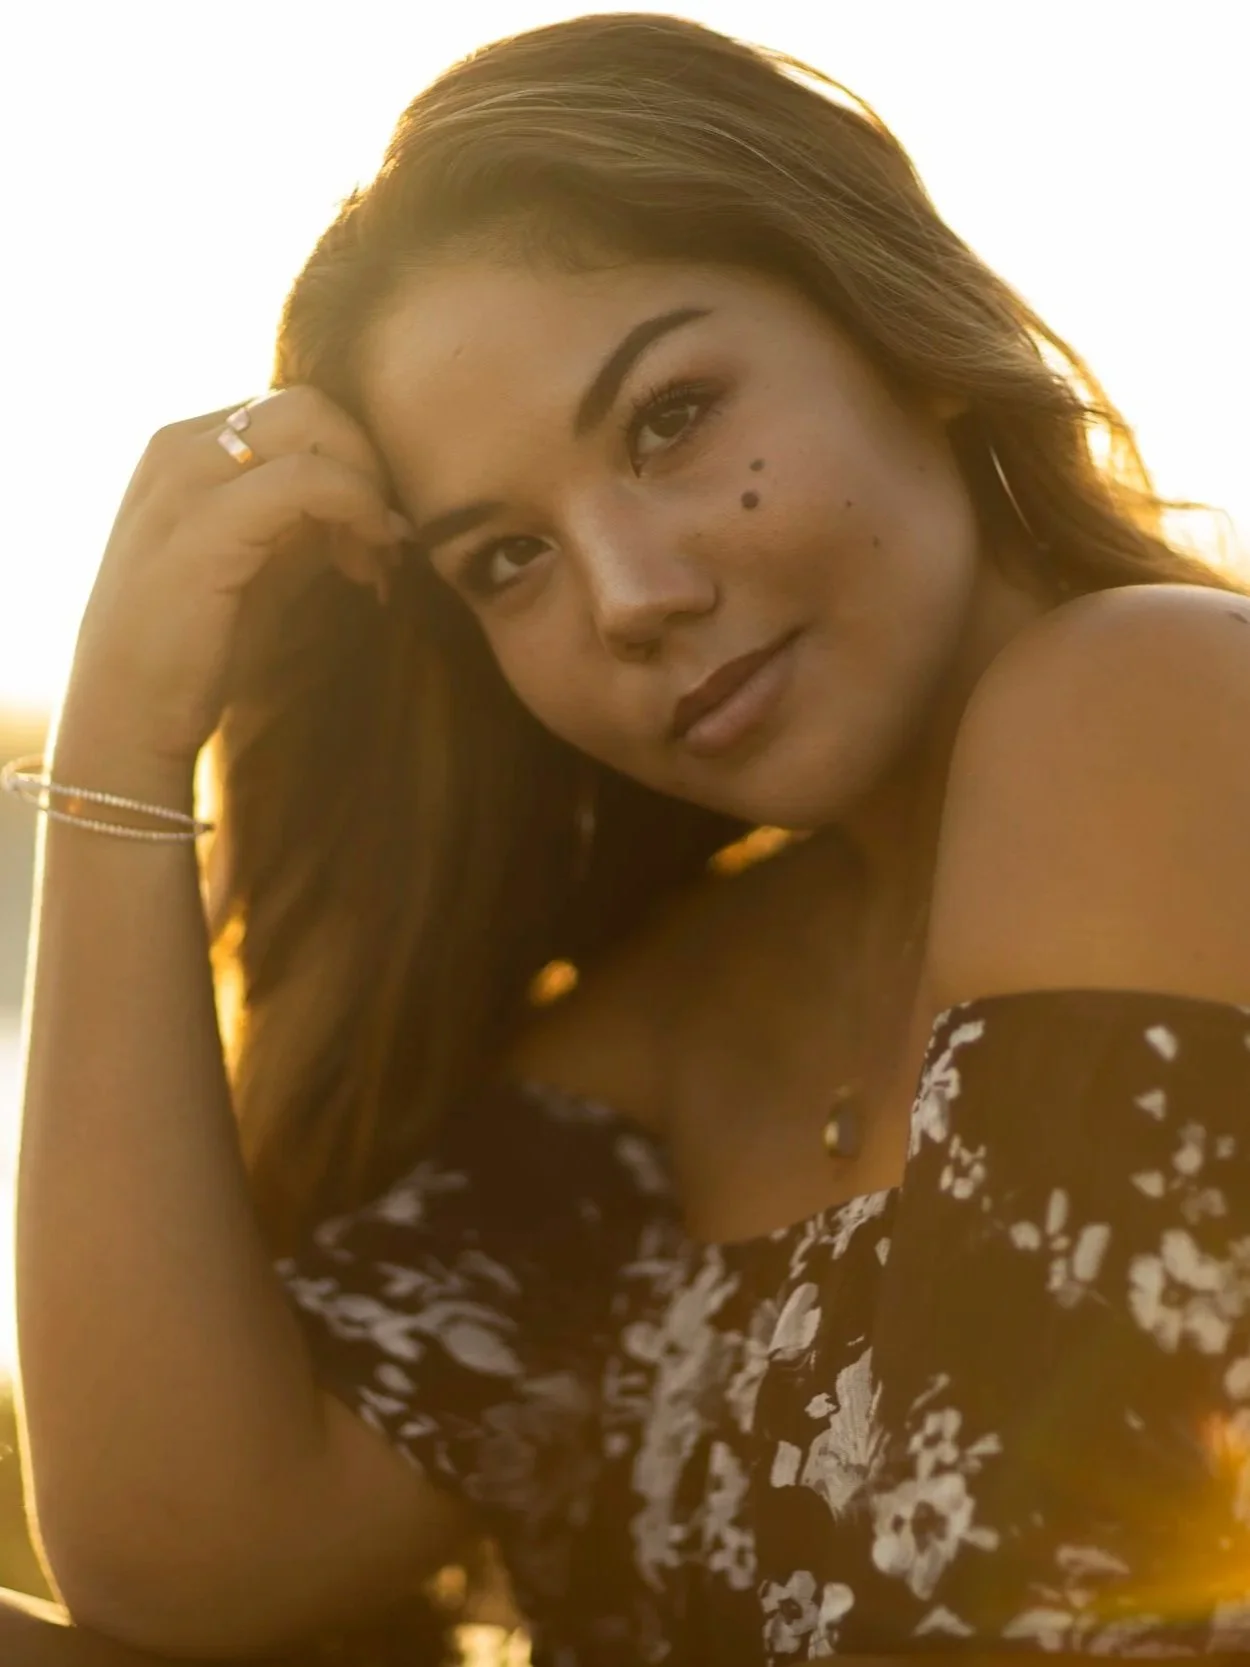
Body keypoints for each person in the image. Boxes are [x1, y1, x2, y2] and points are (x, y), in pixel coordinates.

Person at [2, 11, 1249, 1665]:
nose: (632, 598)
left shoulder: (1154, 701)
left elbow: (1012, 1606)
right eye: (505, 558)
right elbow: (186, 1564)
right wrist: (122, 763)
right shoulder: (655, 1040)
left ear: (901, 329)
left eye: (668, 416)